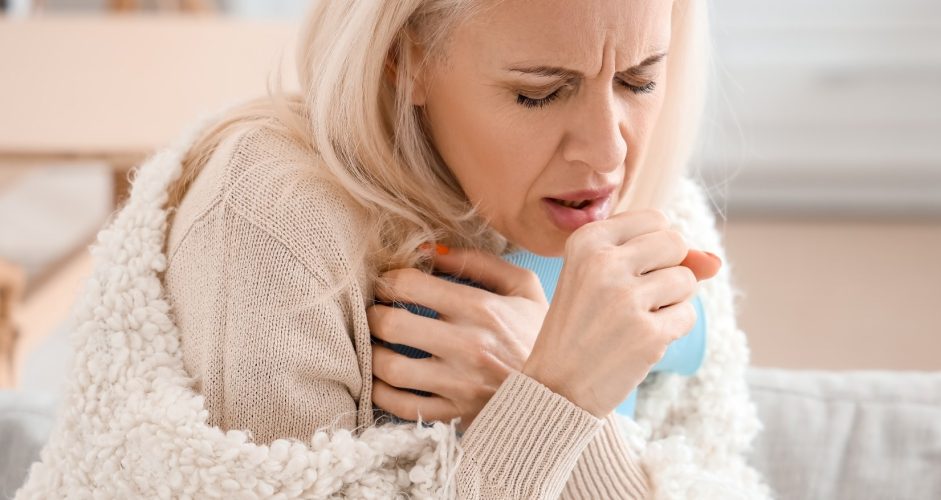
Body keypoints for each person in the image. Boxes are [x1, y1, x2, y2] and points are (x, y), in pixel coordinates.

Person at [18, 0, 769, 497]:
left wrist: (540, 391)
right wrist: (552, 396)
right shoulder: (270, 220)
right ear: (403, 60)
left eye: (640, 80)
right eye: (540, 92)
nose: (607, 155)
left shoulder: (656, 222)